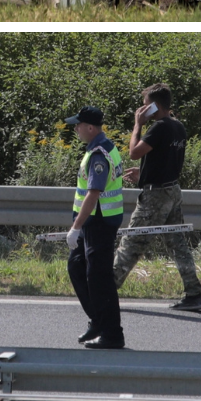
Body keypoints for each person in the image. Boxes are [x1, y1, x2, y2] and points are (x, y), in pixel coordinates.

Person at [113, 83, 201, 312]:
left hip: (156, 197)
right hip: (172, 191)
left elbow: (134, 152)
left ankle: (105, 291)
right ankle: (194, 293)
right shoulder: (178, 127)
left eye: (145, 106)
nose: (142, 110)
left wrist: (138, 125)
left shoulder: (159, 127)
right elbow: (163, 159)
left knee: (132, 242)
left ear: (155, 106)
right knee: (177, 243)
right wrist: (143, 175)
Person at [65, 106, 125, 349]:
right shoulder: (99, 148)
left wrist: (76, 227)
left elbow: (93, 194)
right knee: (77, 266)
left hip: (99, 222)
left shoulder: (99, 154)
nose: (76, 129)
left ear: (90, 128)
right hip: (94, 222)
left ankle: (112, 334)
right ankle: (98, 321)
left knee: (99, 278)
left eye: (78, 125)